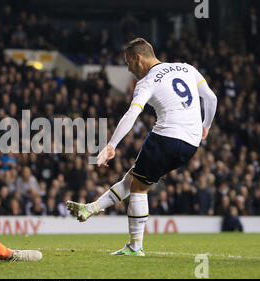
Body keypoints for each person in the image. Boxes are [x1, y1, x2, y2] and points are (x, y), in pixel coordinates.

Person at [67, 38, 217, 256]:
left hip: (166, 136)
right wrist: (206, 126)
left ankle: (135, 246)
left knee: (138, 188)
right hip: (191, 144)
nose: (128, 69)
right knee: (134, 178)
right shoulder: (187, 68)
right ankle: (90, 208)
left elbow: (132, 114)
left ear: (138, 58)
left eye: (128, 63)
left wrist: (111, 145)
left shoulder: (147, 82)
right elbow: (211, 99)